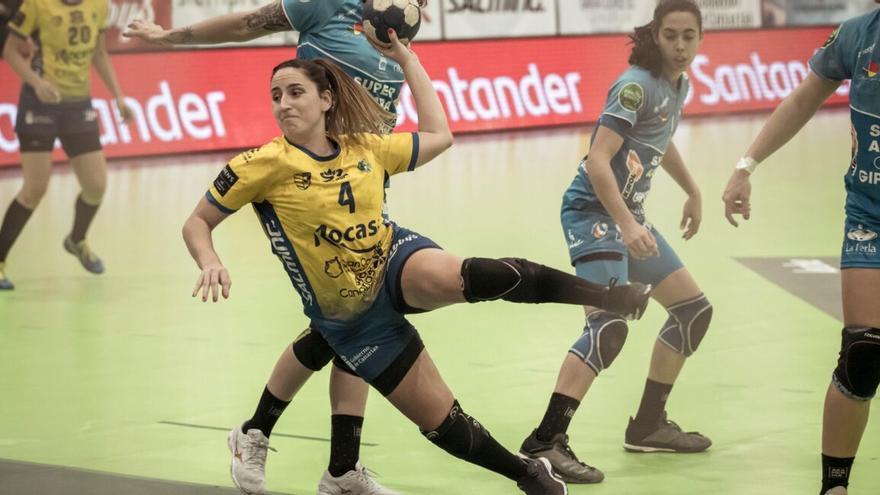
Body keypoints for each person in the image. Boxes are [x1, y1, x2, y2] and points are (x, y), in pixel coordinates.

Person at [128, 2, 649, 494]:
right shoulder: (266, 157)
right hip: (340, 284)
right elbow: (246, 25)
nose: (284, 104)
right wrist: (169, 38)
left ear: (326, 99)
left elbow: (439, 135)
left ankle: (606, 296)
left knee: (467, 276)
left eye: (295, 93)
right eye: (277, 95)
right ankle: (296, 448)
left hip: (376, 220)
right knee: (369, 359)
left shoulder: (379, 96)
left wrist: (408, 59)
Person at [517, 0, 714, 484]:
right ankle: (545, 440)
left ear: (700, 37)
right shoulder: (635, 86)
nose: (681, 46)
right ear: (656, 35)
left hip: (629, 218)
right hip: (593, 214)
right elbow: (598, 160)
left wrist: (692, 189)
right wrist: (626, 225)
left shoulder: (677, 83)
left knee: (692, 311)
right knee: (608, 327)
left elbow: (660, 139)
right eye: (671, 36)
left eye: (689, 36)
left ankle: (648, 425)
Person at [722, 4, 880, 495]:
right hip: (870, 215)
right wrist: (746, 165)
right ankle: (835, 486)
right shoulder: (857, 35)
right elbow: (802, 100)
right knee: (863, 353)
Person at [0, 0, 134, 290]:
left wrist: (118, 96)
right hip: (39, 103)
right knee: (34, 189)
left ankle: (76, 239)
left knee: (96, 186)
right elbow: (10, 50)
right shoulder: (38, 5)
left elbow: (99, 53)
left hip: (78, 106)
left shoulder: (98, 5)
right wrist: (36, 83)